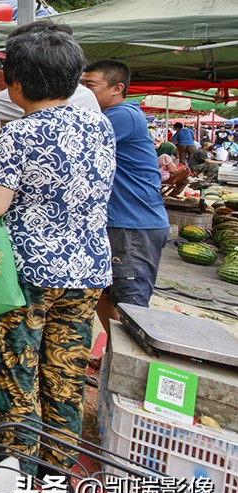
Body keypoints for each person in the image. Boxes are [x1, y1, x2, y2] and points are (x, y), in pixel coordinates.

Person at [0, 22, 115, 493]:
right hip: (87, 270)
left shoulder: (21, 133)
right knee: (65, 368)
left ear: (15, 84)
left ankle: (9, 474)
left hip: (31, 275)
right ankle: (54, 470)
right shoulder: (99, 127)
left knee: (15, 371)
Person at [79, 60, 169, 336]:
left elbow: (63, 145)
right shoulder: (114, 115)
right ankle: (113, 357)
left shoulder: (121, 116)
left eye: (90, 85)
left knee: (132, 306)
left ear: (117, 88)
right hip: (120, 223)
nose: (83, 91)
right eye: (81, 85)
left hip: (133, 227)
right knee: (105, 296)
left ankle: (132, 373)